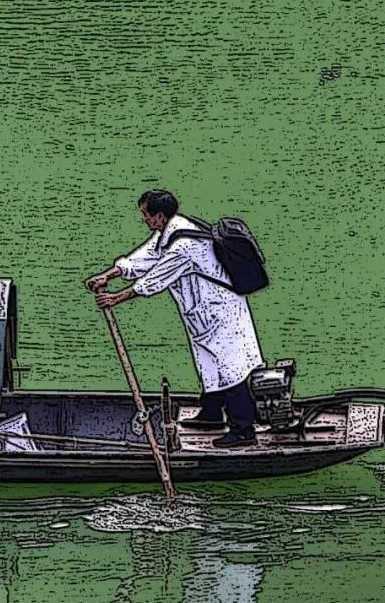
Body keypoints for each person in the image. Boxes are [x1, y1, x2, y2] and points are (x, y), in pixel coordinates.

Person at [85, 188, 265, 447]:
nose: (144, 219)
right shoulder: (171, 231)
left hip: (222, 314)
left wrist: (116, 298)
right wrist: (108, 275)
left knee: (231, 371)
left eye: (146, 214)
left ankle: (243, 431)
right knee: (209, 365)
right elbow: (142, 258)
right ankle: (212, 414)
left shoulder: (184, 246)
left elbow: (155, 279)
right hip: (204, 316)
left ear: (159, 216)